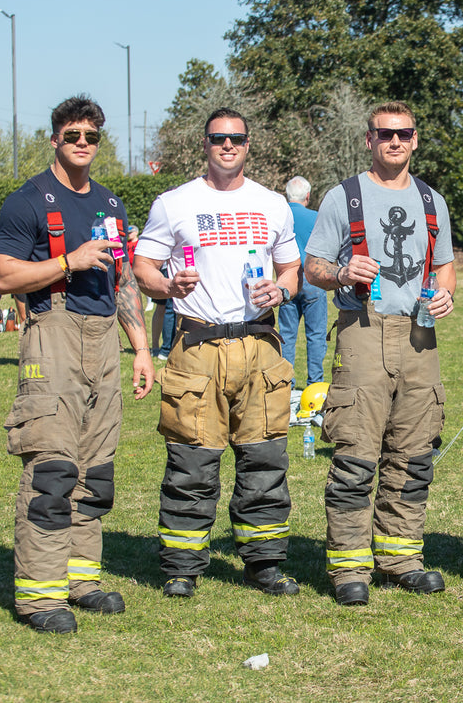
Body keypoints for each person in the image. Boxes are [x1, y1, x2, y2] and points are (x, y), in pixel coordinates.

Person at [0, 95, 154, 634]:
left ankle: (80, 581)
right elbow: (5, 277)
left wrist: (142, 348)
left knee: (96, 472)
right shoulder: (27, 201)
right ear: (54, 139)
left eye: (91, 136)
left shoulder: (111, 204)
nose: (82, 144)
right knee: (53, 469)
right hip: (52, 337)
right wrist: (68, 260)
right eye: (73, 135)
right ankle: (40, 597)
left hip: (105, 337)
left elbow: (124, 278)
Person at [133, 108, 303, 600]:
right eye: (218, 138)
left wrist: (283, 291)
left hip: (259, 344)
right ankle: (183, 566)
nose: (227, 146)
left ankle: (264, 564)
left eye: (236, 138)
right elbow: (142, 265)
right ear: (204, 144)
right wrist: (166, 285)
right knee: (192, 460)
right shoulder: (175, 202)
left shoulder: (273, 204)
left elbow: (290, 269)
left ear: (249, 145)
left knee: (265, 458)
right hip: (198, 343)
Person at [305, 101, 455, 607]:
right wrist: (342, 273)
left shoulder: (434, 201)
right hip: (363, 332)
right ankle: (349, 566)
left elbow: (446, 267)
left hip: (420, 336)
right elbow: (314, 267)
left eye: (404, 133)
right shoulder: (343, 197)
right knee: (355, 452)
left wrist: (447, 294)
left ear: (415, 140)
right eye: (385, 134)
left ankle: (401, 558)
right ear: (369, 140)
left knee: (413, 453)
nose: (395, 141)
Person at [277, 175, 328, 385]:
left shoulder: (280, 216)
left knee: (287, 335)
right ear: (308, 195)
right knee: (315, 335)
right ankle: (314, 383)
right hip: (312, 281)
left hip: (287, 280)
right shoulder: (316, 217)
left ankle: (285, 383)